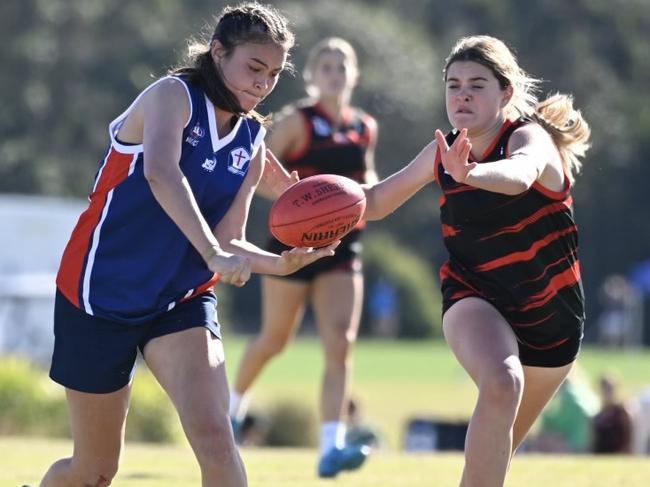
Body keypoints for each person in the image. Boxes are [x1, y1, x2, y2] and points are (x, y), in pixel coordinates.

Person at [35, 4, 338, 487]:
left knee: (216, 436)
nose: (263, 84)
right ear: (218, 52)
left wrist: (281, 265)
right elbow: (161, 171)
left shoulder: (253, 141)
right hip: (98, 294)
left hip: (181, 299)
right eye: (254, 68)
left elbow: (229, 239)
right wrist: (216, 255)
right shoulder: (171, 96)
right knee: (93, 471)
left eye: (275, 74)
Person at [362, 35, 591, 487]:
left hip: (553, 321)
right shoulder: (443, 150)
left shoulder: (531, 138)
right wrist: (302, 196)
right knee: (503, 382)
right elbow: (375, 202)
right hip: (475, 295)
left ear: (505, 93)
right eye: (453, 84)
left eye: (476, 84)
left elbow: (519, 175)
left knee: (490, 465)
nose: (462, 94)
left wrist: (470, 173)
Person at [228, 37, 378, 478]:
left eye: (342, 65)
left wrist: (362, 201)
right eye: (326, 66)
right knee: (275, 339)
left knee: (340, 342)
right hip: (292, 245)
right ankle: (231, 411)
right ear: (312, 76)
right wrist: (291, 210)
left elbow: (365, 182)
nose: (334, 73)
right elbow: (256, 166)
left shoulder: (364, 126)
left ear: (354, 75)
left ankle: (331, 447)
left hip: (343, 245)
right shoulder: (298, 122)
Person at [592, 374, 633, 453]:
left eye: (609, 389)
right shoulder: (598, 416)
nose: (607, 393)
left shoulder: (622, 413)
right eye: (604, 389)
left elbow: (628, 442)